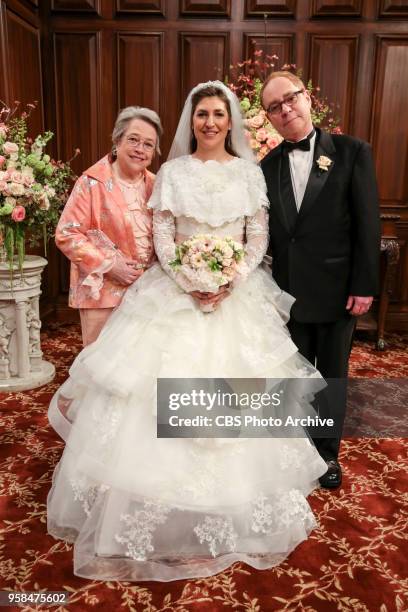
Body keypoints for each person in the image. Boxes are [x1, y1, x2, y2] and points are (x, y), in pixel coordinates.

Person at [47, 81, 328, 582]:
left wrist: (227, 279)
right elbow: (162, 233)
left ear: (231, 120)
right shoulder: (172, 172)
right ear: (191, 120)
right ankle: (155, 509)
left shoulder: (248, 172)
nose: (211, 122)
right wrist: (190, 279)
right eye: (202, 114)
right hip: (175, 290)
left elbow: (257, 235)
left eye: (219, 113)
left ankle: (227, 510)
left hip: (235, 295)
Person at [260, 71, 380, 489]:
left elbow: (368, 224)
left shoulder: (351, 152)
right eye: (274, 107)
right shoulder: (266, 166)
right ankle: (295, 452)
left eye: (289, 99)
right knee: (293, 379)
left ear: (307, 97)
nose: (284, 110)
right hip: (288, 294)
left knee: (331, 378)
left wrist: (364, 285)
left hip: (336, 293)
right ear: (269, 118)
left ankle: (327, 455)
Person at [55, 106, 162, 346]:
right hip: (102, 294)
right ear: (117, 141)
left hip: (147, 293)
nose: (140, 150)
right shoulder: (91, 182)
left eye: (148, 144)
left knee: (138, 368)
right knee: (99, 370)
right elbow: (66, 233)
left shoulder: (156, 185)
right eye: (133, 140)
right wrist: (109, 265)